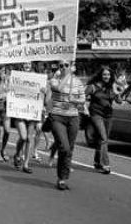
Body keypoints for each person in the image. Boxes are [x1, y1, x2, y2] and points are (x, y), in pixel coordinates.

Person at [49, 60, 86, 190]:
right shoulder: (55, 79)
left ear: (71, 66)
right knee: (64, 147)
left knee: (69, 149)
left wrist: (74, 100)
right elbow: (58, 88)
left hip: (73, 117)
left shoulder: (78, 82)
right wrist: (67, 76)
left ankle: (63, 179)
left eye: (66, 65)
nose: (64, 67)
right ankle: (61, 176)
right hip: (57, 116)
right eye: (61, 65)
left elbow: (83, 99)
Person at [85, 66, 122, 174]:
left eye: (108, 74)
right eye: (105, 74)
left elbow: (119, 101)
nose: (107, 76)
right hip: (96, 114)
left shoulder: (112, 87)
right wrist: (84, 108)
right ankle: (105, 164)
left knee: (101, 139)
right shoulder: (93, 87)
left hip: (108, 116)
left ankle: (97, 161)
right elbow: (82, 96)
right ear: (101, 75)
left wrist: (117, 92)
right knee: (104, 138)